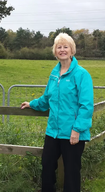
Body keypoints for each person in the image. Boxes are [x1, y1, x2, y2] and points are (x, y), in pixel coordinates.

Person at [21, 33, 94, 192]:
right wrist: (32, 104)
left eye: (65, 47)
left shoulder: (81, 74)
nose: (62, 50)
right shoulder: (54, 74)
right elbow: (47, 98)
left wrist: (77, 130)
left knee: (72, 171)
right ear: (55, 51)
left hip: (72, 133)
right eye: (59, 47)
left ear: (72, 50)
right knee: (47, 165)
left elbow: (86, 105)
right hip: (53, 131)